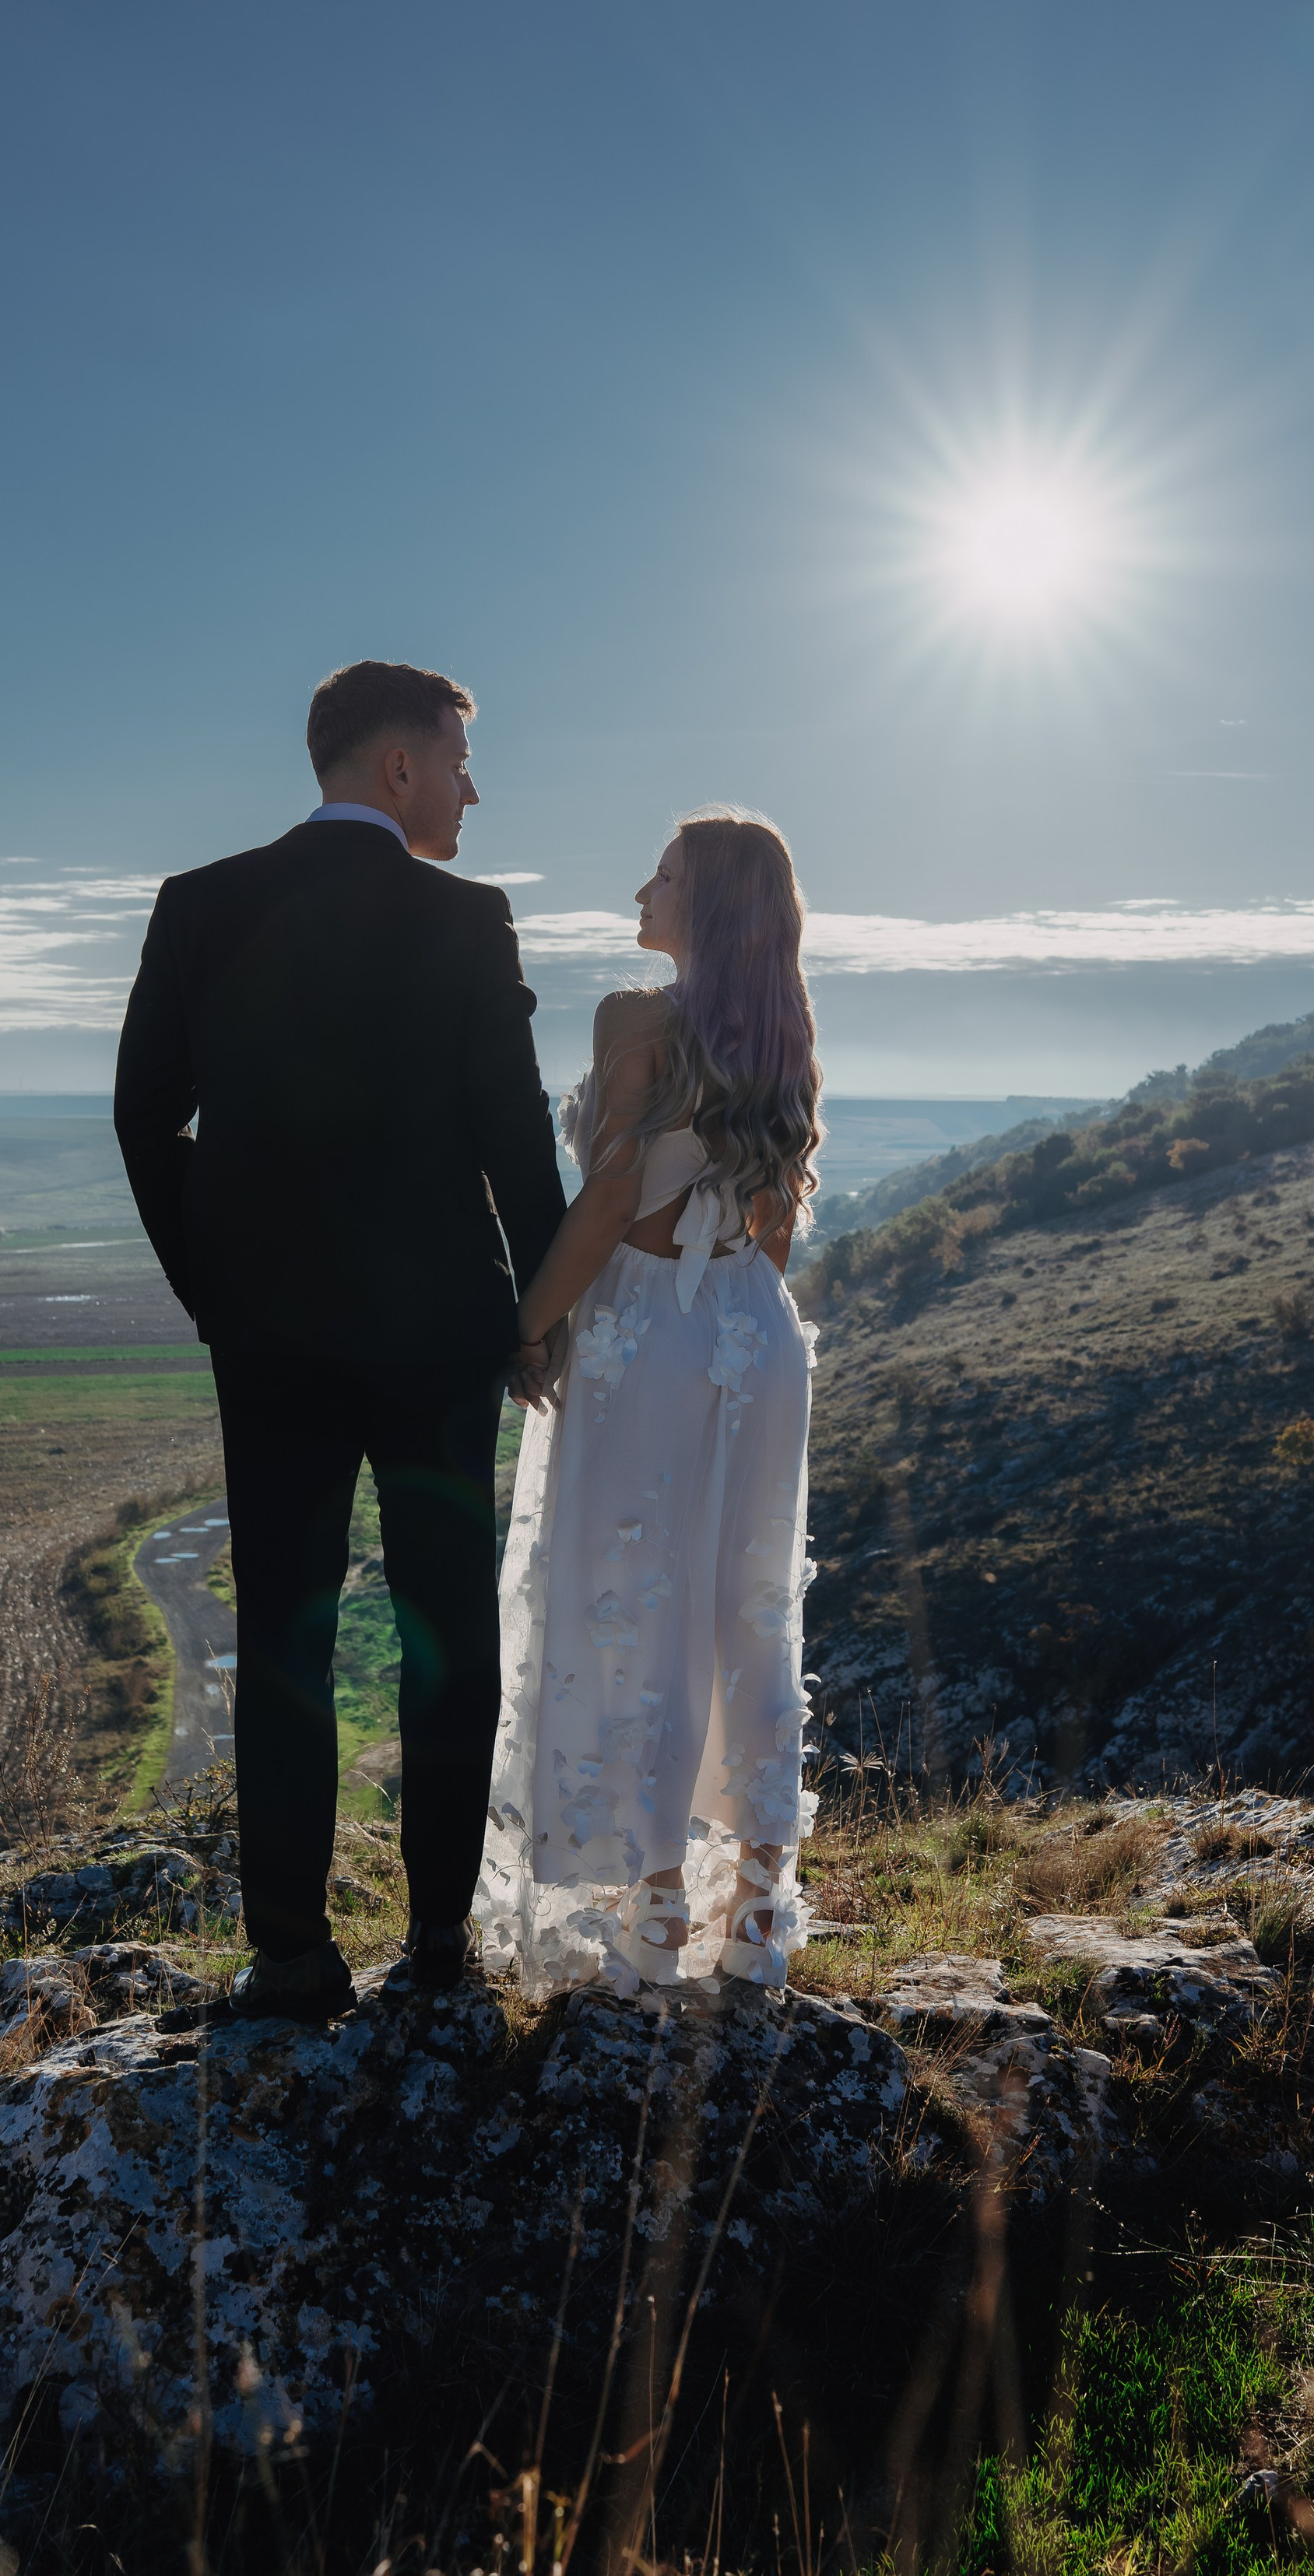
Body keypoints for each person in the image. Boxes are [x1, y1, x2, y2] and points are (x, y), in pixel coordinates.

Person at [114, 660, 567, 2020]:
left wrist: (219, 1293)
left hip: (271, 1346)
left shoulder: (201, 907)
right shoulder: (470, 919)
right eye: (461, 760)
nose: (475, 789)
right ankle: (437, 1943)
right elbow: (514, 1137)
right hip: (438, 1341)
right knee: (445, 1632)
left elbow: (148, 1121)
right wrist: (539, 1314)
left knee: (287, 1639)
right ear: (398, 769)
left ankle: (293, 1954)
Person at [477, 809, 822, 1997]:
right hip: (755, 1330)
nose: (642, 887)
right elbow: (773, 1222)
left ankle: (663, 1896)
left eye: (664, 874)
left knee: (632, 1594)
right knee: (748, 1600)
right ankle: (765, 1902)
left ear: (704, 904)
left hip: (649, 1328)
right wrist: (732, 1322)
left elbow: (612, 1198)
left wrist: (532, 1325)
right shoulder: (783, 1029)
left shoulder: (633, 1020)